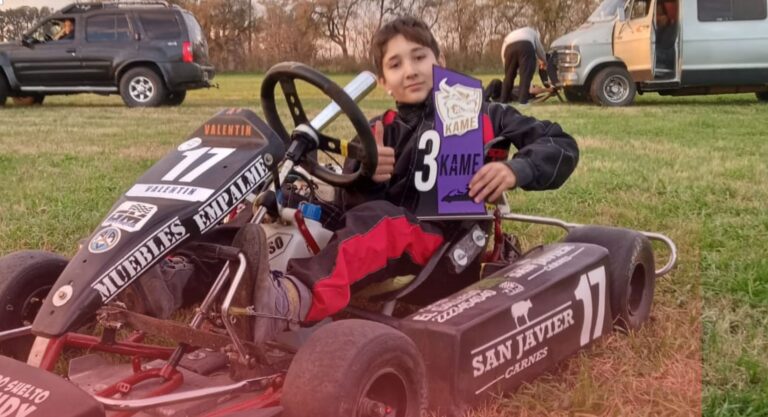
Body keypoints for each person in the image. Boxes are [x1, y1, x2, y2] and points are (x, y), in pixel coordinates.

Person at [241, 16, 579, 343]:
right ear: (384, 81)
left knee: (384, 223)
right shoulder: (378, 130)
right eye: (396, 64)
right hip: (379, 234)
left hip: (445, 245)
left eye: (419, 57)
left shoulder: (484, 113)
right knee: (285, 200)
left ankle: (290, 300)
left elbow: (560, 144)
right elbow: (349, 209)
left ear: (440, 61)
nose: (411, 71)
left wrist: (515, 169)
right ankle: (205, 271)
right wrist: (366, 177)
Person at [499, 27, 547, 104]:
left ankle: (503, 101)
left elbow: (503, 52)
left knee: (508, 77)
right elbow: (540, 49)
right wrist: (545, 61)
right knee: (525, 76)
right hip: (526, 46)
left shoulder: (510, 35)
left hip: (509, 48)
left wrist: (506, 67)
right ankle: (522, 101)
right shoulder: (532, 32)